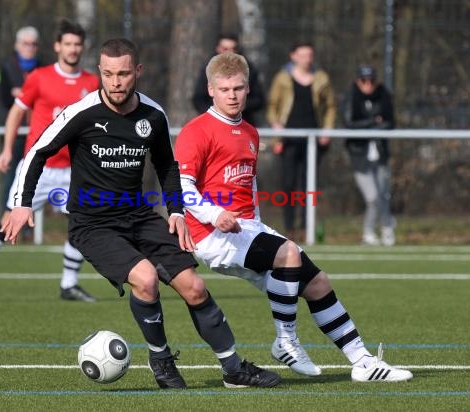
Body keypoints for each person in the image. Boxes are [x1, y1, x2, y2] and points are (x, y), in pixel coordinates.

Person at [1, 38, 281, 390]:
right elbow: (37, 151)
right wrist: (21, 202)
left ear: (137, 71)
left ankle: (234, 369)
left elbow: (167, 166)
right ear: (101, 72)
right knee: (146, 279)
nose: (115, 82)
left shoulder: (152, 114)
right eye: (107, 74)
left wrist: (176, 211)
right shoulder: (82, 113)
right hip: (93, 224)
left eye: (122, 74)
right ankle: (161, 361)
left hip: (140, 216)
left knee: (194, 287)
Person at [174, 52, 412, 382]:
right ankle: (285, 341)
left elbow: (249, 185)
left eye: (239, 88)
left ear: (247, 89)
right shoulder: (196, 131)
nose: (232, 95)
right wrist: (215, 215)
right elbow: (181, 188)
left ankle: (363, 362)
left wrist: (256, 221)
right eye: (225, 89)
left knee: (317, 283)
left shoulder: (250, 132)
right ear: (210, 90)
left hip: (246, 229)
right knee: (288, 253)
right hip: (212, 235)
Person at [0, 19, 100, 303]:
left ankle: (68, 284)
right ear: (58, 46)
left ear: (82, 48)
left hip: (73, 171)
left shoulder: (92, 83)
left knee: (83, 223)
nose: (72, 49)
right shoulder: (39, 77)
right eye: (67, 44)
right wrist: (7, 149)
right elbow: (15, 113)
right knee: (8, 222)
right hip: (38, 170)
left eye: (77, 44)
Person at [266, 41, 336, 240]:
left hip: (313, 140)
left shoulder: (321, 78)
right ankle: (289, 228)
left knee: (309, 185)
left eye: (310, 55)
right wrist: (276, 125)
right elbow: (272, 105)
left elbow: (331, 106)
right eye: (303, 55)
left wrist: (327, 130)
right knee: (288, 184)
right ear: (293, 56)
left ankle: (307, 228)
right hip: (288, 139)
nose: (307, 59)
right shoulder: (282, 78)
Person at [343, 65, 396, 246]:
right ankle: (369, 231)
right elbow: (349, 123)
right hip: (359, 154)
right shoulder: (351, 96)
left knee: (383, 194)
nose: (368, 84)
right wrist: (373, 122)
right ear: (358, 81)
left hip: (380, 152)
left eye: (372, 80)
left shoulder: (383, 95)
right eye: (364, 80)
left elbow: (390, 122)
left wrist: (371, 125)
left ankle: (386, 228)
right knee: (372, 197)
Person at [0, 26, 42, 215]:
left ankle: (27, 224)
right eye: (25, 44)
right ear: (17, 45)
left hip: (37, 133)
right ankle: (5, 221)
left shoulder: (44, 68)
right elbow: (6, 99)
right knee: (11, 179)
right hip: (15, 133)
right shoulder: (5, 68)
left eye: (33, 44)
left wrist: (21, 93)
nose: (29, 48)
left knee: (33, 180)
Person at [192, 33, 265, 126]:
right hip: (213, 124)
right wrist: (218, 113)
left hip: (243, 122)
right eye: (225, 49)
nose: (229, 53)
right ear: (218, 49)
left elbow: (259, 100)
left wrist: (239, 106)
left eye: (238, 88)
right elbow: (198, 99)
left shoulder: (248, 69)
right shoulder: (208, 69)